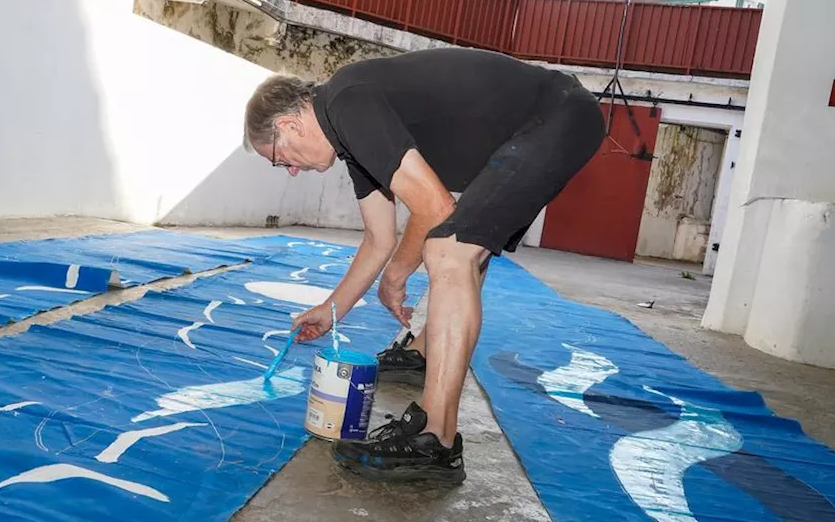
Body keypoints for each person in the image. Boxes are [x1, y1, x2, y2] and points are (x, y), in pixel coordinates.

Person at [243, 47, 605, 484]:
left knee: (449, 249)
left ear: (289, 124)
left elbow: (434, 209)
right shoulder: (350, 141)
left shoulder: (347, 101)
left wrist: (397, 276)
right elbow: (379, 240)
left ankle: (437, 439)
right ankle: (425, 352)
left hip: (557, 114)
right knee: (467, 246)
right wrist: (331, 309)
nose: (291, 171)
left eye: (279, 158)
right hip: (534, 129)